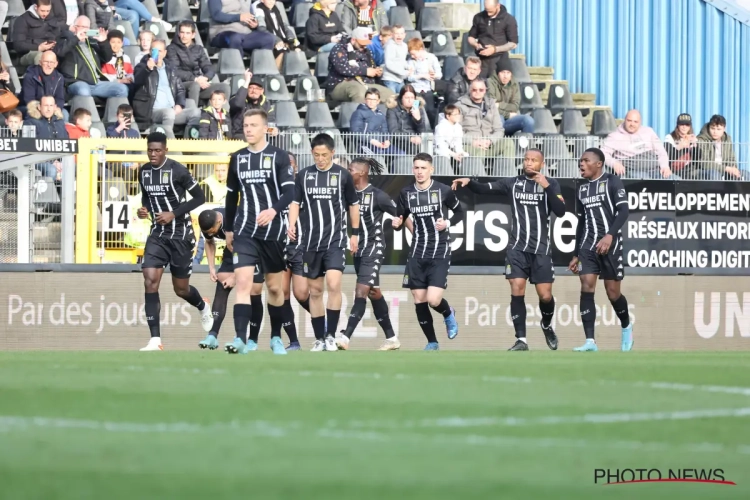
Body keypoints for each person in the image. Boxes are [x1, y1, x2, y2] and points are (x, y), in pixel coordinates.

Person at [452, 149, 565, 351]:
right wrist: (469, 182)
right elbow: (483, 189)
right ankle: (521, 340)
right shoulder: (512, 183)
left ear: (542, 164)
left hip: (540, 249)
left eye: (534, 160)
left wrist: (546, 187)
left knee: (545, 296)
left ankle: (546, 324)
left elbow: (561, 211)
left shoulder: (551, 184)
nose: (529, 163)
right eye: (526, 159)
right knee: (516, 287)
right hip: (517, 249)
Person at [223, 108, 295, 355]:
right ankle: (240, 339)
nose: (248, 129)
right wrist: (229, 230)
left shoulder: (279, 157)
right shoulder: (237, 158)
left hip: (273, 232)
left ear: (266, 128)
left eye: (253, 125)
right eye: (245, 125)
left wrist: (274, 210)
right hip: (244, 231)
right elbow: (232, 197)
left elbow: (290, 193)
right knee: (244, 284)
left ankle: (275, 336)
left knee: (275, 289)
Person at [136, 132, 214, 351]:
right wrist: (145, 210)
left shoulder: (178, 170)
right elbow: (146, 197)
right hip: (158, 235)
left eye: (157, 150)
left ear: (165, 150)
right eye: (150, 150)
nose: (153, 154)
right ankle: (155, 340)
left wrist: (173, 213)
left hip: (181, 235)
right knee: (150, 279)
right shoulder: (144, 172)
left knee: (181, 289)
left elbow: (200, 197)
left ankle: (201, 304)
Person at [287, 133, 360, 352]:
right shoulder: (303, 176)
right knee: (315, 291)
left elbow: (353, 205)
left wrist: (354, 233)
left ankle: (330, 335)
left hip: (335, 242)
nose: (320, 159)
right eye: (317, 155)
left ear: (332, 153)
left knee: (334, 284)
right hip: (310, 243)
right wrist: (291, 224)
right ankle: (319, 337)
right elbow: (295, 203)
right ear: (312, 154)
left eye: (324, 155)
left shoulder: (343, 175)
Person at [392, 152, 461, 350]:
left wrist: (447, 223)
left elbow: (460, 212)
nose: (420, 172)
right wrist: (397, 223)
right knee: (419, 299)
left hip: (439, 251)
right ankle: (432, 342)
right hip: (416, 252)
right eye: (417, 168)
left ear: (431, 169)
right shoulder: (406, 193)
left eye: (423, 168)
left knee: (433, 300)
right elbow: (401, 217)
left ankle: (448, 313)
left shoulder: (443, 190)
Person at [567, 148, 633, 352]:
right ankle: (590, 342)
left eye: (586, 161)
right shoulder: (582, 189)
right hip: (588, 244)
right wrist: (576, 253)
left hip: (609, 243)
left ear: (598, 164)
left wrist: (610, 235)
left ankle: (626, 326)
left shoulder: (612, 182)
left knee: (613, 293)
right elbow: (581, 222)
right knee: (586, 287)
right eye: (580, 161)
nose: (581, 164)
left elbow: (624, 211)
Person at [336, 158, 400, 351]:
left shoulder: (378, 196)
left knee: (361, 292)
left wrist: (400, 222)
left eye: (350, 169)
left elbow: (399, 213)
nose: (347, 172)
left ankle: (345, 337)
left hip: (374, 247)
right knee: (373, 292)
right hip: (358, 250)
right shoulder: (348, 194)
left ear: (362, 173)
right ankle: (392, 338)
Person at [196, 208, 268, 350]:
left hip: (255, 248)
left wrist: (235, 277)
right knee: (222, 282)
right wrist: (211, 267)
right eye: (207, 231)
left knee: (254, 290)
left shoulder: (236, 221)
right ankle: (212, 335)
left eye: (212, 230)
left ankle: (252, 340)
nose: (210, 233)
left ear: (219, 221)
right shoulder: (208, 221)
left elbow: (247, 254)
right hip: (232, 248)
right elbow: (209, 242)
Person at [281, 152, 307, 350]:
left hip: (300, 246)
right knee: (282, 294)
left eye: (292, 164)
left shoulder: (304, 186)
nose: (289, 167)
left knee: (301, 293)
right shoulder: (275, 186)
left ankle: (323, 327)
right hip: (279, 246)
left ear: (296, 167)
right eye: (285, 164)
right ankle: (294, 341)